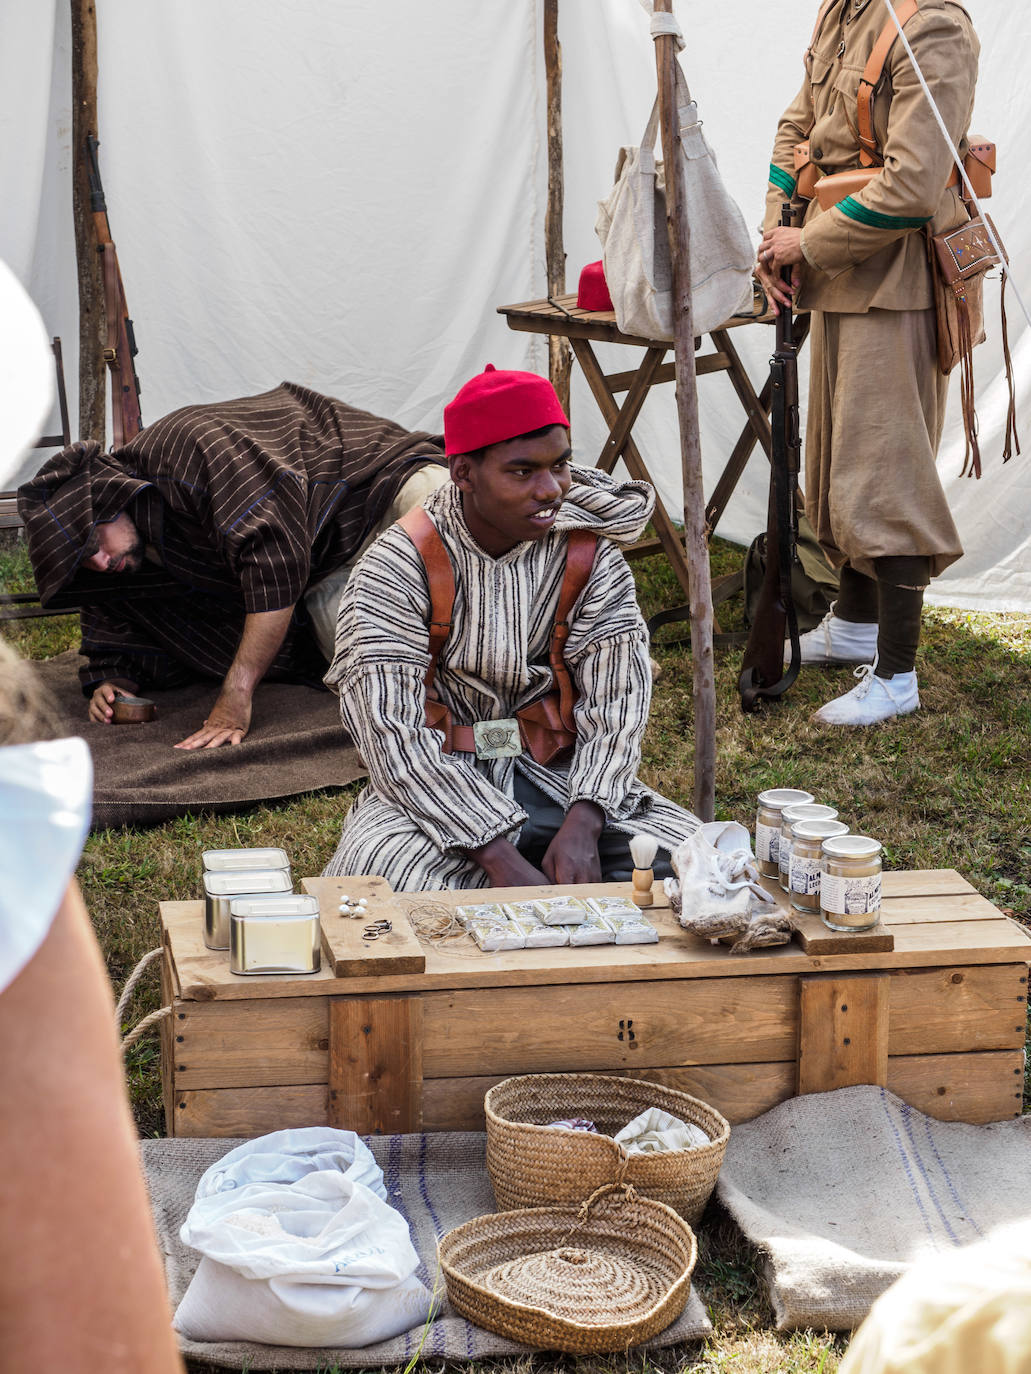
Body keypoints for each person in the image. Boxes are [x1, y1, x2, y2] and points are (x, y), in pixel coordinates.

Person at [0, 261, 183, 1370]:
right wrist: (113, 685)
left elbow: (265, 587)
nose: (106, 566)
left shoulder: (206, 474)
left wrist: (244, 699)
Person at [322, 365, 699, 892]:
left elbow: (620, 698)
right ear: (463, 474)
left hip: (568, 781)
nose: (550, 491)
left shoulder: (589, 555)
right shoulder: (396, 566)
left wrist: (585, 826)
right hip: (439, 785)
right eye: (522, 472)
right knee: (389, 890)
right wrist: (500, 860)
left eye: (560, 466)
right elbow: (392, 733)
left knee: (707, 869)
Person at [755, 0, 979, 725]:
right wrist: (774, 229)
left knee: (888, 474)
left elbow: (914, 184)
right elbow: (798, 130)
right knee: (836, 464)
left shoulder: (932, 26)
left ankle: (896, 673)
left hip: (897, 281)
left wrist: (806, 245)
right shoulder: (841, 12)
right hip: (839, 274)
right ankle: (852, 627)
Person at [17, 383, 449, 749]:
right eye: (84, 561)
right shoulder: (128, 556)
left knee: (464, 544)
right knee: (385, 679)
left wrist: (237, 693)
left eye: (92, 539)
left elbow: (274, 566)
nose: (100, 561)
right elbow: (116, 617)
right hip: (325, 569)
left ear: (109, 498)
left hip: (377, 489)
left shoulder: (187, 448)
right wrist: (111, 679)